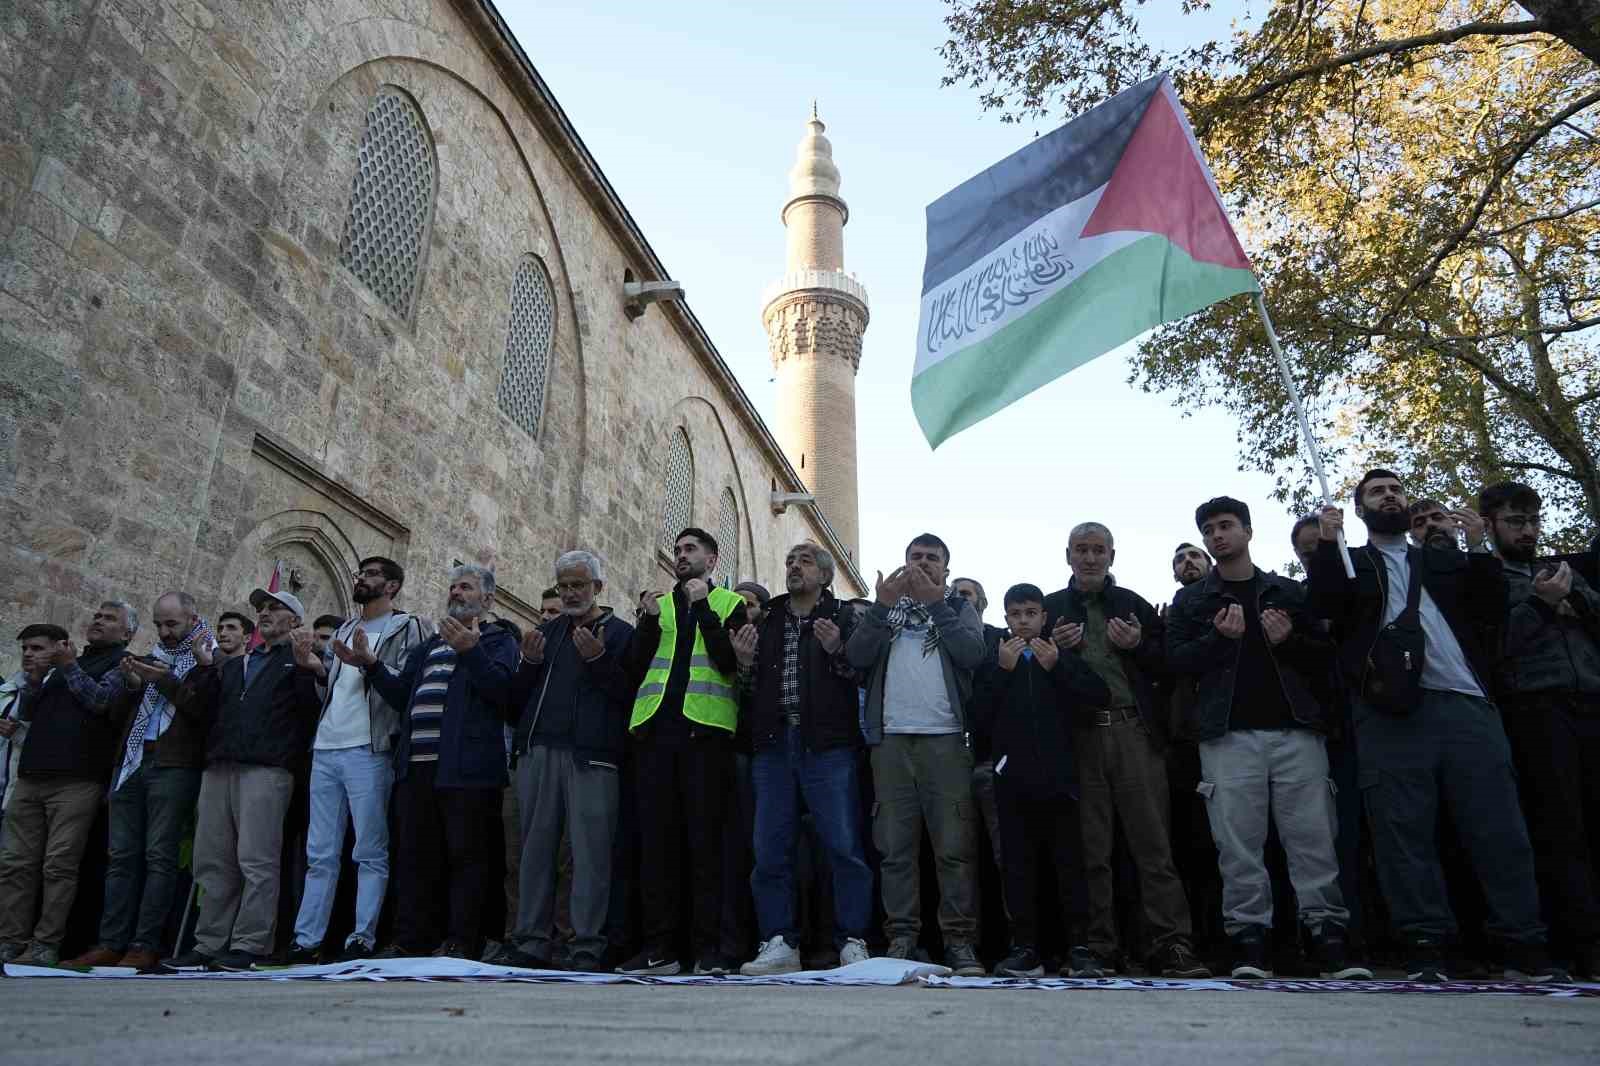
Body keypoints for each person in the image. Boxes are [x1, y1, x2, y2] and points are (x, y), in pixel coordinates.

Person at [1307, 469, 1565, 981]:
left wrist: (1476, 544)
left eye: (1396, 489)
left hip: (1467, 705)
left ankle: (1523, 946)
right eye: (1377, 491)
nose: (1390, 496)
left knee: (1498, 829)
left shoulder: (1444, 561)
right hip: (1387, 711)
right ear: (1359, 510)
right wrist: (1326, 546)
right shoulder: (1350, 563)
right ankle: (1425, 945)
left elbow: (1492, 610)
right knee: (1403, 832)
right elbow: (1324, 609)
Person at [1167, 497, 1369, 979]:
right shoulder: (1192, 600)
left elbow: (1326, 654)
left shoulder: (1287, 591)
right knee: (1237, 845)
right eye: (1209, 529)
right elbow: (1174, 660)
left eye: (1226, 525)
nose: (1217, 535)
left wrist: (1290, 640)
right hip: (1227, 735)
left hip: (1295, 731)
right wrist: (1219, 641)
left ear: (1248, 531)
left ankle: (1327, 939)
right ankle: (1248, 941)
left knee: (1313, 841)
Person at [1044, 523, 1208, 978]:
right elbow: (1033, 683)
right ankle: (1098, 946)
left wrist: (1137, 646)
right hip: (1079, 740)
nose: (1091, 558)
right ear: (1068, 555)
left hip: (1134, 734)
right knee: (1090, 850)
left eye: (1099, 550)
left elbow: (1170, 666)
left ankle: (1171, 944)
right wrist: (1058, 655)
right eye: (1082, 549)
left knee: (1154, 846)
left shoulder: (1133, 604)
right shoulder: (1052, 609)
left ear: (1112, 556)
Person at [338, 564, 518, 961]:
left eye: (466, 587)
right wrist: (370, 665)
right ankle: (411, 938)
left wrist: (471, 652)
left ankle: (460, 940)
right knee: (416, 857)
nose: (455, 593)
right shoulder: (431, 646)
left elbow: (505, 694)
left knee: (466, 859)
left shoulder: (498, 640)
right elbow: (403, 695)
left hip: (467, 771)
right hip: (417, 769)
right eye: (453, 587)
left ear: (487, 599)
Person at [846, 533, 986, 976]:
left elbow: (972, 654)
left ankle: (959, 942)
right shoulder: (883, 609)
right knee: (895, 849)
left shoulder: (960, 608)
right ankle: (901, 939)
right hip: (890, 743)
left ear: (946, 568)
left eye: (932, 559)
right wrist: (883, 607)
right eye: (915, 557)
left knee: (953, 848)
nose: (922, 564)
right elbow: (856, 656)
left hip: (945, 739)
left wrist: (937, 605)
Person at [161, 588, 323, 971]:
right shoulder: (234, 665)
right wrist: (204, 668)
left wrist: (305, 668)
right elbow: (203, 712)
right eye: (261, 608)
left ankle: (250, 943)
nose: (265, 613)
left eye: (275, 608)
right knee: (211, 860)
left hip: (266, 770)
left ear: (295, 621)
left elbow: (308, 715)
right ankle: (208, 943)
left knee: (256, 860)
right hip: (219, 769)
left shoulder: (299, 662)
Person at [282, 557, 430, 964]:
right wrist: (312, 664)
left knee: (369, 848)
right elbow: (333, 681)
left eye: (371, 575)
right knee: (320, 851)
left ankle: (362, 935)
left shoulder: (410, 626)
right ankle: (306, 939)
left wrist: (369, 661)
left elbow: (404, 686)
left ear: (392, 586)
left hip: (370, 746)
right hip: (327, 745)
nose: (361, 579)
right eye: (360, 574)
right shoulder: (346, 628)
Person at [734, 542, 873, 975]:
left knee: (843, 847)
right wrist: (741, 662)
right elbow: (751, 686)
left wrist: (838, 651)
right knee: (770, 849)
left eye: (805, 560)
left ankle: (852, 939)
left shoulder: (846, 617)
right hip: (774, 747)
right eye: (790, 560)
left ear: (826, 575)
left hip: (828, 748)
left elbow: (863, 676)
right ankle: (779, 942)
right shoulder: (769, 617)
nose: (794, 566)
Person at [1482, 482, 1600, 978]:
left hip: (1591, 700)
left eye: (1532, 521)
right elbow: (1495, 646)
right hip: (1536, 711)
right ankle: (1582, 946)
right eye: (1515, 522)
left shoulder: (1560, 572)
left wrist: (1571, 598)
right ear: (1489, 525)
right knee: (1561, 829)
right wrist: (1540, 606)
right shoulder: (1487, 580)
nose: (1527, 531)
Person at [618, 528, 749, 975]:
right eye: (676, 550)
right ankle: (660, 949)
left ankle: (707, 950)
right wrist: (647, 620)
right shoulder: (659, 607)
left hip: (705, 738)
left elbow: (728, 663)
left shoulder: (729, 604)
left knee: (705, 847)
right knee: (658, 847)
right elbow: (634, 668)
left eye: (690, 549)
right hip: (656, 737)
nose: (680, 556)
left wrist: (703, 608)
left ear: (713, 561)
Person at [495, 550, 633, 972]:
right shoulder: (546, 632)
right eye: (564, 586)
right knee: (535, 850)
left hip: (592, 758)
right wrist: (530, 665)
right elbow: (516, 704)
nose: (570, 593)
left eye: (578, 585)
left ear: (598, 589)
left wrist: (598, 659)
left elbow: (629, 697)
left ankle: (586, 944)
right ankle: (531, 941)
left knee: (589, 854)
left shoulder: (621, 634)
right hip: (538, 752)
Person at [67, 595, 210, 972]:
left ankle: (144, 944)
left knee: (159, 857)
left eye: (172, 625)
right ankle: (110, 942)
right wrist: (132, 686)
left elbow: (205, 710)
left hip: (175, 765)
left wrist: (165, 682)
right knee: (120, 858)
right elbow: (115, 718)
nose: (164, 632)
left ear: (192, 619)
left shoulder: (206, 660)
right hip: (131, 763)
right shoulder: (149, 659)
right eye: (159, 624)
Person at [974, 583, 1111, 977]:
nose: (1023, 622)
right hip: (1011, 781)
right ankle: (1025, 948)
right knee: (1018, 867)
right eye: (1015, 614)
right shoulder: (995, 659)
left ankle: (1080, 948)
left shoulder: (1059, 654)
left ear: (1043, 616)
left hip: (1061, 779)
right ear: (1005, 618)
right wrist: (1001, 672)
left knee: (1070, 865)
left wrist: (1060, 666)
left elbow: (1099, 696)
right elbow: (976, 717)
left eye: (1031, 613)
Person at [0, 611, 133, 966]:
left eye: (109, 617)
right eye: (97, 615)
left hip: (76, 780)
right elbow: (28, 711)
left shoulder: (121, 663)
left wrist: (69, 666)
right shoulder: (64, 665)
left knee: (58, 866)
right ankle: (10, 940)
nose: (98, 620)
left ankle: (45, 944)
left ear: (128, 631)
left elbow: (102, 702)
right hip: (32, 776)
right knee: (15, 863)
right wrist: (34, 679)